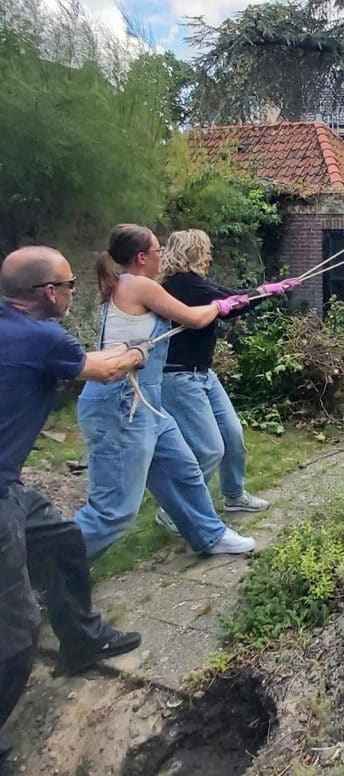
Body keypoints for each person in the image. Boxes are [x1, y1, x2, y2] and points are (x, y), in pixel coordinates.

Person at [1, 246, 145, 764]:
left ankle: (82, 639)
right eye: (68, 286)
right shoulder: (43, 336)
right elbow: (102, 370)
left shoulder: (12, 327)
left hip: (11, 484)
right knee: (16, 632)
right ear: (47, 294)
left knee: (62, 540)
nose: (72, 293)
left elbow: (82, 363)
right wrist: (135, 354)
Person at [74, 224, 256, 561]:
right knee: (113, 511)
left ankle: (210, 536)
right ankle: (43, 570)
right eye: (157, 250)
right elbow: (193, 318)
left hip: (148, 401)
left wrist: (226, 302)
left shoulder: (132, 284)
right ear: (142, 258)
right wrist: (221, 306)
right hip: (121, 405)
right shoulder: (138, 284)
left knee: (184, 470)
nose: (161, 256)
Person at [158, 230, 300, 528]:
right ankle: (172, 509)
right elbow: (230, 302)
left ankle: (234, 495)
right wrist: (267, 292)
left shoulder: (192, 283)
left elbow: (228, 301)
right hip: (178, 377)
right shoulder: (181, 284)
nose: (209, 256)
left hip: (203, 374)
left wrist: (264, 290)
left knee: (233, 436)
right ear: (193, 252)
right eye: (205, 250)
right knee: (209, 449)